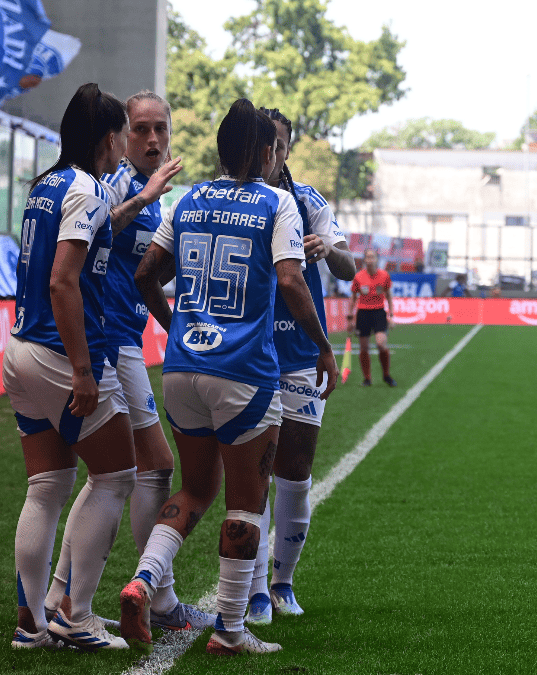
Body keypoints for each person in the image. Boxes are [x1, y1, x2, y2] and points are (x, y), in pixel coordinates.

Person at [120, 98, 338, 656]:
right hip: (244, 372)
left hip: (184, 368)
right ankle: (230, 630)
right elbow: (292, 281)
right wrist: (323, 346)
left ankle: (143, 580)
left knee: (195, 490)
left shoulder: (188, 199)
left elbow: (147, 276)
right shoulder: (276, 203)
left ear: (218, 151)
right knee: (244, 502)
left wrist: (179, 328)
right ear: (266, 152)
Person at [40, 90, 213, 633]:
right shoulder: (118, 182)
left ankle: (57, 596)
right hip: (111, 341)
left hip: (122, 339)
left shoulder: (152, 191)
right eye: (141, 129)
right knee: (150, 468)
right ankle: (158, 599)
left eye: (161, 128)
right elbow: (89, 239)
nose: (153, 140)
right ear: (119, 135)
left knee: (105, 477)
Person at [3, 83, 135, 651]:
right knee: (115, 474)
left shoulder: (47, 185)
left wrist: (141, 198)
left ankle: (31, 621)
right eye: (125, 133)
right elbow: (63, 280)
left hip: (20, 350)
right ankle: (75, 615)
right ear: (109, 138)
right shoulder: (86, 188)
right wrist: (83, 371)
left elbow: (84, 239)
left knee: (47, 486)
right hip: (61, 356)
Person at [243, 107, 355, 625]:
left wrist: (326, 247)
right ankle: (256, 588)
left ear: (287, 149)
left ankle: (283, 582)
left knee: (296, 470)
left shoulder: (307, 201)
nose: (272, 155)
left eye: (281, 146)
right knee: (255, 473)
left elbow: (349, 269)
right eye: (267, 144)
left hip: (300, 352)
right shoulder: (239, 197)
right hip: (248, 350)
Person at [348, 249, 396, 387]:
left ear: (377, 259)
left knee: (381, 343)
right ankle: (367, 378)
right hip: (363, 313)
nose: (370, 259)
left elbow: (389, 296)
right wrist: (350, 318)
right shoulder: (358, 277)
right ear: (364, 260)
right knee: (364, 347)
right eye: (367, 257)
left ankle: (386, 375)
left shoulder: (384, 275)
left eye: (372, 257)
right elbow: (353, 298)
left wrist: (391, 315)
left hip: (379, 313)